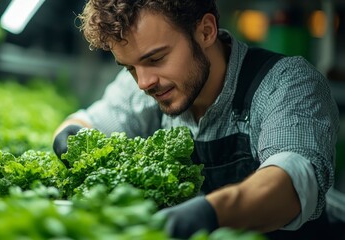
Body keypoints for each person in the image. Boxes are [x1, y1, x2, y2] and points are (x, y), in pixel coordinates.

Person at [52, 0, 340, 239]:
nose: (143, 82)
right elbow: (89, 121)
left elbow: (290, 183)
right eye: (129, 67)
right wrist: (71, 138)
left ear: (205, 31)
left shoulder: (287, 84)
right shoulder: (150, 83)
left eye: (156, 59)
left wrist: (207, 214)